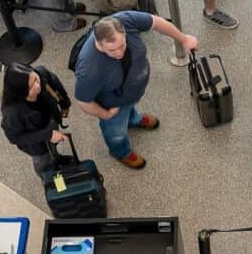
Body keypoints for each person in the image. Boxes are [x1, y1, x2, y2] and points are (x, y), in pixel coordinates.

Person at [73, 13, 198, 169]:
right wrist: (106, 114)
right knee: (116, 132)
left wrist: (184, 39)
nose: (119, 53)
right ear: (98, 43)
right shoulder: (89, 68)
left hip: (131, 94)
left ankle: (133, 120)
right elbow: (83, 101)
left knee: (129, 108)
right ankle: (121, 152)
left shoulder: (125, 20)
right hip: (113, 106)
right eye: (112, 50)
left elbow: (157, 22)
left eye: (122, 45)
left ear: (124, 32)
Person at [0, 62, 72, 180]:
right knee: (44, 162)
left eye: (36, 79)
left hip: (50, 124)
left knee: (52, 149)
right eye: (31, 86)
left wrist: (65, 103)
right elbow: (14, 138)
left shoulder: (40, 72)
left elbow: (55, 83)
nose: (38, 85)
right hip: (37, 145)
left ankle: (56, 158)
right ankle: (49, 180)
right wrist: (47, 134)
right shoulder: (12, 113)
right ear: (20, 92)